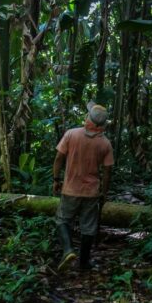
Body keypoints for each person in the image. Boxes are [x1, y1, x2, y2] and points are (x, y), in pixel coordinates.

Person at [53, 101, 114, 271]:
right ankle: (84, 263)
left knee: (62, 220)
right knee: (88, 227)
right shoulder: (105, 143)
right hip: (91, 192)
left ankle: (68, 250)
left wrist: (55, 179)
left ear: (88, 118)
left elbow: (59, 158)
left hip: (70, 189)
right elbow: (108, 172)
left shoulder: (71, 134)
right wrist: (104, 192)